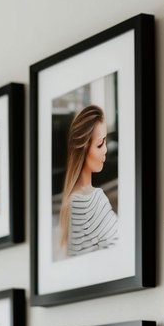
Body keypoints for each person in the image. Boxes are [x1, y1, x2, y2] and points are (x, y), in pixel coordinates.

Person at [59, 105, 118, 255]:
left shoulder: (71, 200)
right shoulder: (93, 199)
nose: (105, 149)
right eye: (100, 144)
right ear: (83, 149)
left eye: (105, 142)